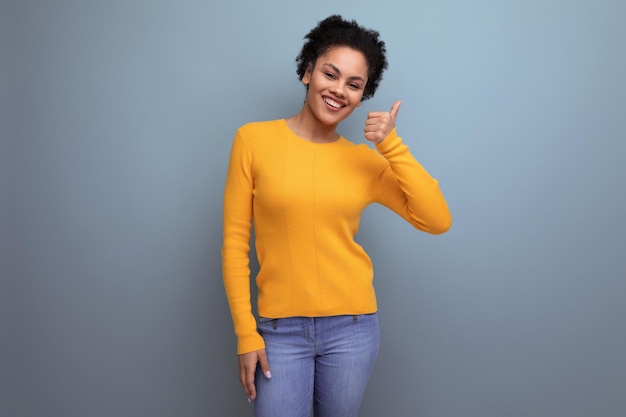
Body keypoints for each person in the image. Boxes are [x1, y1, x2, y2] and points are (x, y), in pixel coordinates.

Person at [222, 14, 451, 417]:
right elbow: (235, 243)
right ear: (308, 71)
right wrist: (246, 333)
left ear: (362, 96)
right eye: (331, 74)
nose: (339, 90)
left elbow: (436, 219)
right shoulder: (253, 140)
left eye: (354, 84)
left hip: (352, 329)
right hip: (279, 332)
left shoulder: (364, 162)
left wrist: (391, 145)